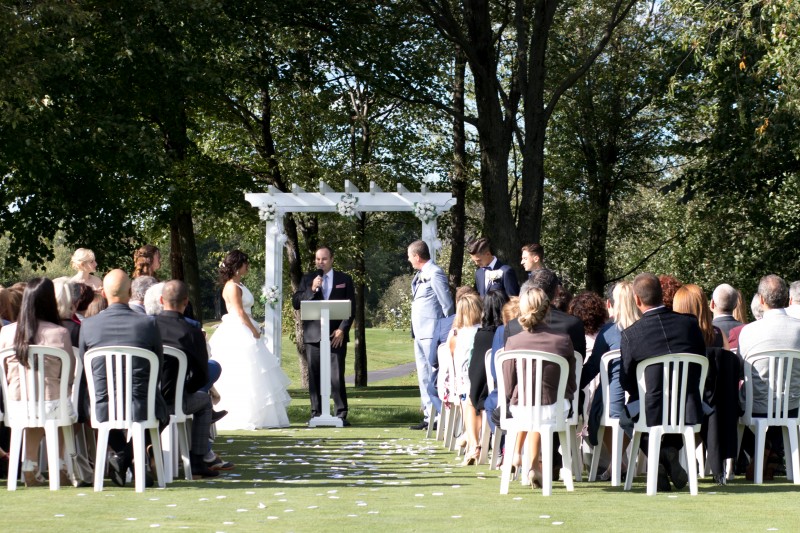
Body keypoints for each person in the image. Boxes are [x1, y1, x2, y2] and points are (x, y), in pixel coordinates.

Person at [79, 269, 168, 487]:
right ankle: (127, 457)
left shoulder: (88, 326)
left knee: (88, 403)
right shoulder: (148, 324)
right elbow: (158, 364)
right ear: (130, 293)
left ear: (103, 294)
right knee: (162, 412)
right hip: (141, 403)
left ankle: (123, 456)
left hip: (102, 404)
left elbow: (85, 365)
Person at [619, 272, 706, 492]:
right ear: (662, 295)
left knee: (625, 417)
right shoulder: (689, 324)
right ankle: (669, 452)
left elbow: (627, 381)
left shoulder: (631, 335)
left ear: (637, 299)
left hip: (651, 407)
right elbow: (700, 361)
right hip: (688, 405)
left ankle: (658, 456)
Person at [0, 278, 77, 487]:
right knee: (59, 407)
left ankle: (30, 463)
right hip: (52, 403)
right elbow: (69, 374)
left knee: (37, 408)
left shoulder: (6, 332)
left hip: (16, 405)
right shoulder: (60, 333)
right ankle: (59, 464)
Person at [502, 285, 576, 488]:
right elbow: (570, 383)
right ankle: (534, 466)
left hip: (521, 409)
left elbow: (508, 386)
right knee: (541, 412)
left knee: (532, 411)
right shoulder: (562, 341)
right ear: (547, 308)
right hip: (554, 409)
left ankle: (527, 461)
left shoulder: (513, 342)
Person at [209, 250, 290, 430]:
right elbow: (239, 311)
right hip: (238, 329)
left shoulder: (240, 284)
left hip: (246, 325)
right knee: (245, 369)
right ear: (238, 266)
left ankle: (261, 415)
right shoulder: (232, 287)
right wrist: (254, 330)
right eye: (245, 263)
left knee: (256, 371)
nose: (248, 266)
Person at [153, 280, 220, 478]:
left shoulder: (147, 327)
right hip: (174, 401)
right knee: (205, 401)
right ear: (186, 302)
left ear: (161, 300)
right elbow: (202, 376)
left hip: (143, 400)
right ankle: (198, 460)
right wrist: (184, 389)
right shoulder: (192, 332)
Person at [738, 274, 800, 480]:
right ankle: (772, 448)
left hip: (756, 406)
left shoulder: (748, 331)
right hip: (793, 405)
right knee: (779, 403)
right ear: (786, 299)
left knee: (728, 405)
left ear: (762, 300)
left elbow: (740, 369)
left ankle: (762, 447)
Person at [582, 281, 640, 481]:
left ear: (610, 304)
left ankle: (616, 463)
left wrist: (573, 385)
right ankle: (618, 463)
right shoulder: (646, 328)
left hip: (614, 400)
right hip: (643, 397)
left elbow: (593, 366)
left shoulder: (608, 332)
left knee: (602, 407)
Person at [292, 246, 356, 425]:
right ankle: (316, 413)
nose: (320, 262)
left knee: (336, 376)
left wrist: (342, 329)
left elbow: (351, 307)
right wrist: (312, 289)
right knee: (314, 376)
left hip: (336, 335)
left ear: (332, 259)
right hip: (314, 335)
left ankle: (340, 414)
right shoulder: (308, 279)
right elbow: (296, 302)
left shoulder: (344, 279)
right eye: (318, 259)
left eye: (324, 259)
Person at [407, 240, 454, 430]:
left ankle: (441, 416)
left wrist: (447, 330)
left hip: (432, 331)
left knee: (435, 375)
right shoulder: (420, 274)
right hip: (419, 332)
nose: (408, 260)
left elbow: (447, 304)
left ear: (417, 256)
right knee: (423, 375)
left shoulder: (435, 273)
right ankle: (429, 416)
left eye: (409, 256)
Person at [448, 293, 483, 465]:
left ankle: (472, 441)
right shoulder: (484, 332)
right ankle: (475, 439)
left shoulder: (458, 336)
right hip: (482, 380)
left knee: (468, 402)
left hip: (465, 380)